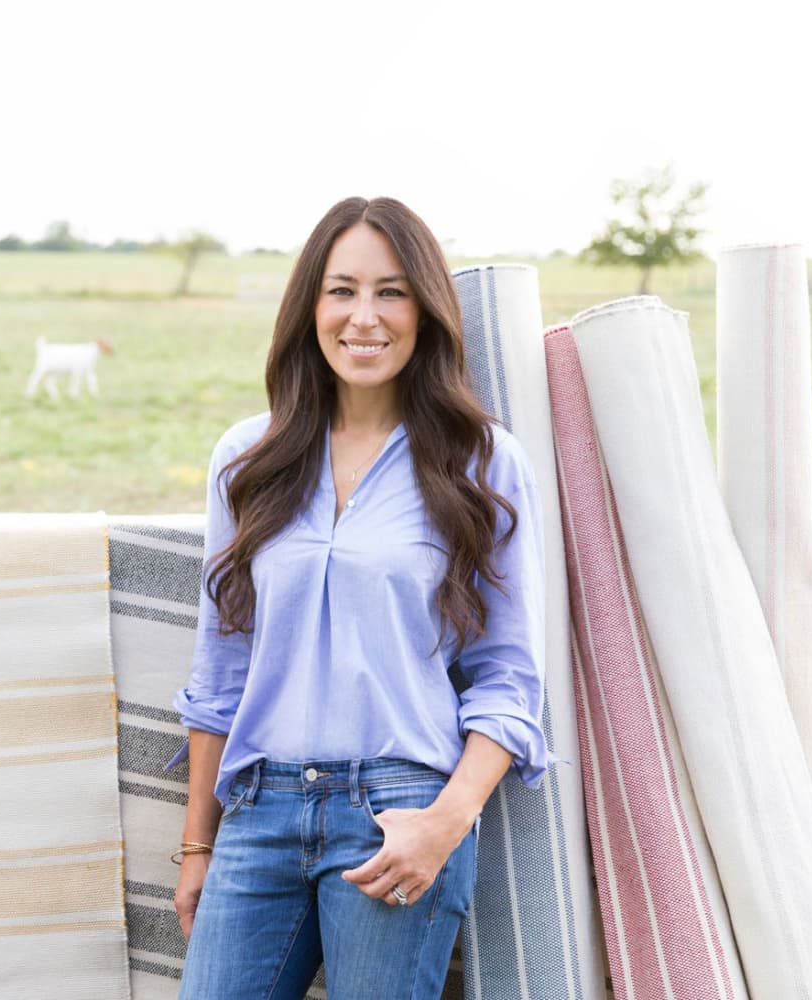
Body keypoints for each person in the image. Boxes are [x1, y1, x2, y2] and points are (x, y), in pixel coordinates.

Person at [171, 196, 548, 1000]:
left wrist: (442, 827)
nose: (365, 317)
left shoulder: (481, 462)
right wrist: (199, 848)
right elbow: (220, 669)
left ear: (426, 311)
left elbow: (510, 677)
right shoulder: (248, 458)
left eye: (392, 291)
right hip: (260, 809)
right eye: (342, 290)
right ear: (310, 307)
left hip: (399, 809)